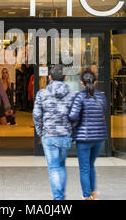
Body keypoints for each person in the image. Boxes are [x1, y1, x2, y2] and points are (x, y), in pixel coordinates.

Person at [33, 64, 75, 200]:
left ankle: (58, 198)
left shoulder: (42, 94)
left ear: (49, 78)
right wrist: (71, 131)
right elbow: (76, 116)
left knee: (53, 168)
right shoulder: (71, 94)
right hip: (65, 135)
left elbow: (36, 115)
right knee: (61, 166)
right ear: (65, 78)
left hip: (49, 136)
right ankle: (61, 195)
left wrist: (41, 132)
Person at [69, 69, 108, 200]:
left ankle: (86, 197)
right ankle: (93, 194)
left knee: (84, 168)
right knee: (91, 165)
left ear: (81, 83)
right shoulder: (101, 96)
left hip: (84, 138)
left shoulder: (80, 96)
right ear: (95, 82)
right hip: (99, 137)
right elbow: (104, 111)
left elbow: (73, 116)